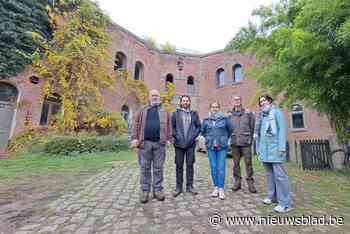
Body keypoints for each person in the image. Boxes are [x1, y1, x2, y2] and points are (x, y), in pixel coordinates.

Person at [131, 89, 172, 204]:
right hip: (145, 144)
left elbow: (169, 126)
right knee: (145, 168)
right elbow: (136, 124)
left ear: (159, 98)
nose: (155, 97)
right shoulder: (142, 110)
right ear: (149, 97)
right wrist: (134, 138)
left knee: (159, 168)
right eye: (153, 95)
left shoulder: (164, 111)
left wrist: (169, 139)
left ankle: (158, 190)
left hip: (160, 144)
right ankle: (145, 191)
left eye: (157, 96)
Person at [256, 95, 292, 213]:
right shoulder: (262, 116)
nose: (262, 103)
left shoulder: (277, 113)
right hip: (265, 151)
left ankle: (285, 203)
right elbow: (260, 134)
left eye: (264, 100)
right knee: (269, 175)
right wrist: (259, 148)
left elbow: (282, 130)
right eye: (260, 102)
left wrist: (282, 147)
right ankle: (272, 197)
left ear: (270, 101)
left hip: (276, 149)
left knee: (280, 177)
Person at [201, 101, 234, 199]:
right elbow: (203, 131)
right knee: (213, 167)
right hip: (211, 146)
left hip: (222, 147)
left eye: (216, 107)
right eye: (212, 107)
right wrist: (208, 138)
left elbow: (231, 129)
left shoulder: (224, 119)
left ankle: (221, 188)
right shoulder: (206, 120)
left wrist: (224, 138)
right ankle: (215, 187)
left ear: (219, 108)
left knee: (221, 167)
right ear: (210, 108)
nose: (214, 109)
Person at [171, 95, 201, 197]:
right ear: (181, 102)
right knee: (179, 166)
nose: (185, 102)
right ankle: (178, 187)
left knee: (190, 165)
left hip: (190, 145)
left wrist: (193, 136)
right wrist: (177, 137)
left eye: (187, 101)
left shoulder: (194, 114)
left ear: (189, 102)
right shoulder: (175, 114)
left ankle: (190, 186)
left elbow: (198, 127)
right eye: (183, 101)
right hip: (179, 144)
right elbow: (172, 128)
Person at [229, 95, 257, 193]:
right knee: (236, 164)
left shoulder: (248, 113)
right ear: (232, 102)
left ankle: (250, 183)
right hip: (234, 142)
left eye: (238, 99)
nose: (237, 101)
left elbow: (252, 126)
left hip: (246, 142)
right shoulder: (230, 115)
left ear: (241, 101)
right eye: (235, 99)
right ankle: (237, 182)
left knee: (248, 163)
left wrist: (250, 138)